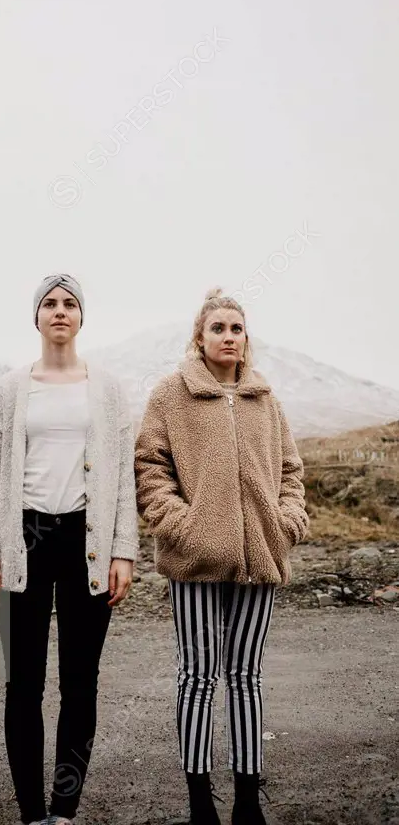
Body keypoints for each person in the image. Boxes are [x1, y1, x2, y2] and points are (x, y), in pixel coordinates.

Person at [135, 288, 308, 825]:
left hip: (261, 560)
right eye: (218, 328)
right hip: (194, 563)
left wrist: (287, 523)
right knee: (197, 677)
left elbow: (292, 473)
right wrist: (182, 526)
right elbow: (150, 468)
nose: (228, 337)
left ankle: (248, 802)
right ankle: (199, 802)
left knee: (246, 676)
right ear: (200, 337)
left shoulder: (267, 401)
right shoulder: (171, 396)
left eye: (236, 328)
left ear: (245, 338)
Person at [0, 273, 139, 825]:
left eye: (70, 303)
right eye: (50, 303)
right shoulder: (11, 388)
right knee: (22, 682)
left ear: (82, 317)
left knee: (79, 682)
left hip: (86, 543)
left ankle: (63, 811)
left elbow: (124, 479)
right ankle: (30, 812)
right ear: (37, 317)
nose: (60, 311)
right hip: (24, 539)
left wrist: (123, 551)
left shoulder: (109, 390)